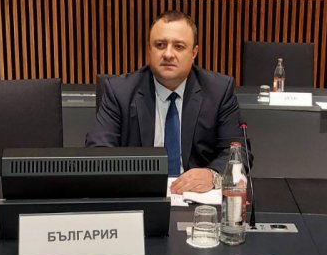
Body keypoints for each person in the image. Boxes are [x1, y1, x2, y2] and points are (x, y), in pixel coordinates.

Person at [86, 10, 246, 194]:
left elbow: (238, 152)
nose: (168, 54)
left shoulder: (218, 90)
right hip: (139, 195)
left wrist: (213, 175)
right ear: (149, 49)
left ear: (194, 52)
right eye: (160, 45)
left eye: (179, 46)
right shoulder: (120, 91)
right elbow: (98, 152)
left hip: (198, 199)